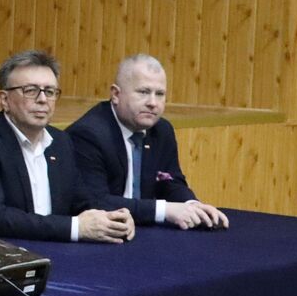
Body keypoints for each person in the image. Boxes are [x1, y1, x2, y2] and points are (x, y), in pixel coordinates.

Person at [0, 50, 133, 243]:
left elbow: (82, 201)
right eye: (30, 90)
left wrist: (114, 218)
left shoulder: (61, 141)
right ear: (4, 99)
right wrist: (76, 227)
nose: (43, 99)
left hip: (53, 249)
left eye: (50, 92)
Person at [67, 54, 229, 229]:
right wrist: (164, 210)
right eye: (143, 92)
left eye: (159, 94)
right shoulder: (88, 134)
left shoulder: (162, 130)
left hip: (143, 229)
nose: (153, 103)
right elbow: (96, 202)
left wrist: (192, 205)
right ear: (116, 95)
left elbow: (170, 182)